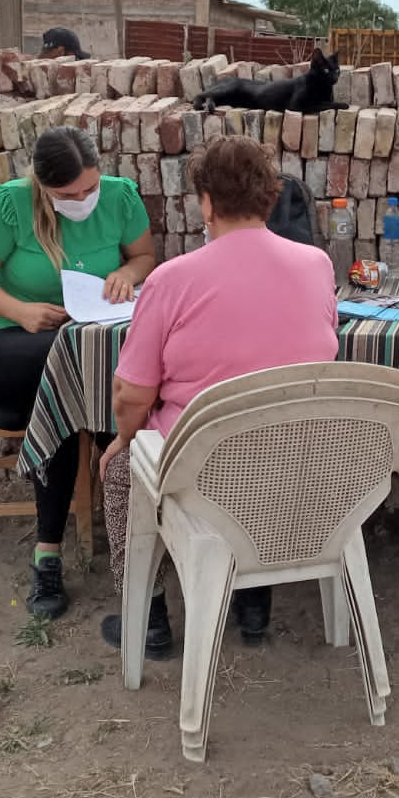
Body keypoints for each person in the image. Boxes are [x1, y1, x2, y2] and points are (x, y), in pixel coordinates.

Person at [95, 136, 339, 658]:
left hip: (204, 473)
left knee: (119, 472)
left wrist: (122, 440)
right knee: (262, 434)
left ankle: (150, 618)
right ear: (271, 199)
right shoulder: (317, 265)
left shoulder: (171, 280)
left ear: (205, 203)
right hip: (301, 463)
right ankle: (253, 608)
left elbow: (132, 394)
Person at [0, 125, 156, 619]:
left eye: (90, 188)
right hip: (15, 342)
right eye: (68, 195)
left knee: (115, 385)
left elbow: (143, 258)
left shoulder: (120, 197)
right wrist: (22, 311)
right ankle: (48, 552)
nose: (83, 200)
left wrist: (126, 276)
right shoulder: (10, 206)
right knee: (66, 390)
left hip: (91, 338)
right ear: (43, 186)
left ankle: (135, 552)